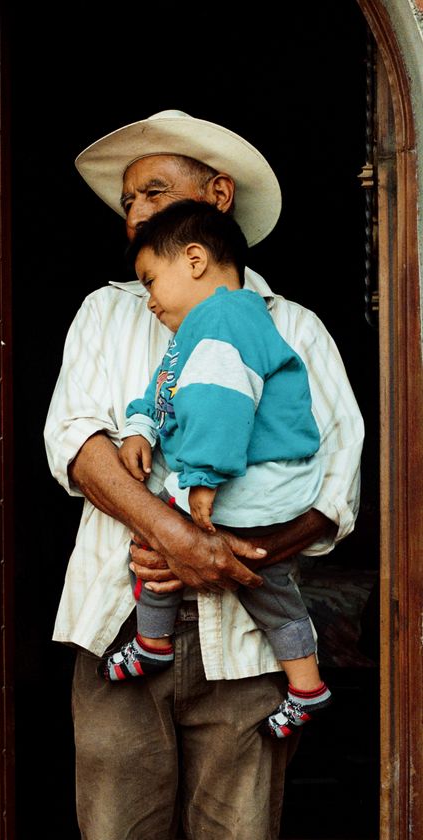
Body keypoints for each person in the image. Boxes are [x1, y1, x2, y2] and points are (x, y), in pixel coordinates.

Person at [44, 110, 364, 839]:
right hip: (119, 622)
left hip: (248, 648)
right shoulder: (106, 311)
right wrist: (174, 538)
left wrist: (222, 558)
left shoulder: (295, 327)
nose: (134, 216)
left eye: (153, 193)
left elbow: (336, 487)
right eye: (127, 202)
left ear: (218, 196)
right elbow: (77, 444)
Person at [101, 198, 332, 739]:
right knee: (267, 582)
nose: (150, 300)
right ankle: (307, 685)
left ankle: (152, 643)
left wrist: (201, 477)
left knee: (158, 529)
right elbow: (168, 392)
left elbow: (218, 398)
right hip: (269, 484)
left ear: (196, 260)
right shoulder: (206, 327)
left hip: (256, 477)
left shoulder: (224, 320)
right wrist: (142, 429)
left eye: (152, 279)